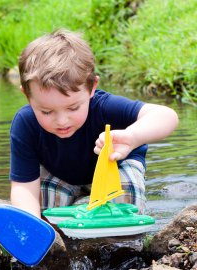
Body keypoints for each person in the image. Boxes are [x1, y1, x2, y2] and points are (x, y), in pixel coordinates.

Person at [9, 29, 178, 218]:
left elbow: (166, 116)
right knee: (47, 210)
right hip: (61, 175)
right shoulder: (26, 123)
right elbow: (23, 188)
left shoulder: (105, 107)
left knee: (124, 200)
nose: (62, 120)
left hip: (116, 167)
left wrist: (132, 137)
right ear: (27, 95)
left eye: (73, 108)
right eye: (46, 111)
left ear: (92, 87)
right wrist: (32, 225)